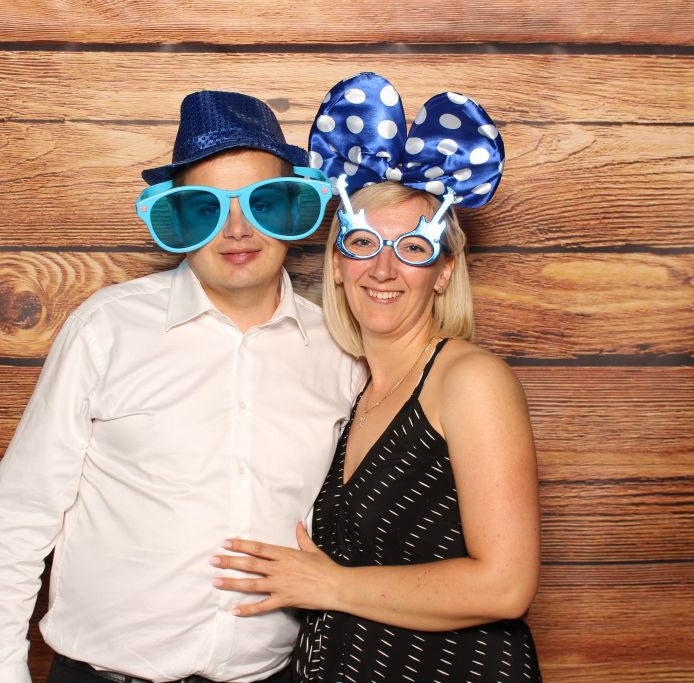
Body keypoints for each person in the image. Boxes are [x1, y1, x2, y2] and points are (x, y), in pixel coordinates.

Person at [0, 90, 364, 683]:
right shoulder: (107, 329)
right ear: (178, 219)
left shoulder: (337, 350)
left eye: (263, 202)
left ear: (292, 207)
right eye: (205, 208)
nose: (238, 229)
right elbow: (19, 515)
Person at [210, 73, 543, 682]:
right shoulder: (353, 390)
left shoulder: (470, 380)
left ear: (444, 272)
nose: (383, 269)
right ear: (338, 264)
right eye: (363, 243)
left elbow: (505, 586)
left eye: (413, 249)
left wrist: (329, 585)